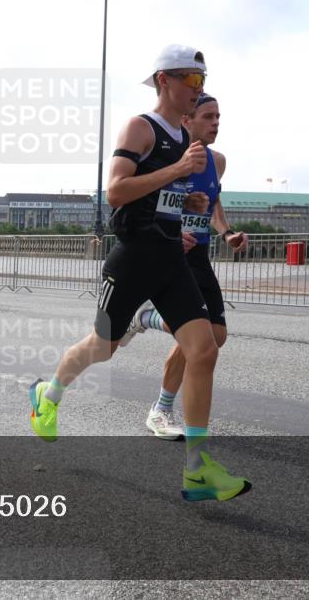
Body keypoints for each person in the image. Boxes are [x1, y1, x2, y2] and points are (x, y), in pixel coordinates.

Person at [28, 44, 251, 502]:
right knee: (101, 348)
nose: (199, 90)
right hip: (132, 260)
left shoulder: (184, 141)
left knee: (205, 348)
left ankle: (196, 468)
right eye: (192, 80)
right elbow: (115, 191)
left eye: (203, 82)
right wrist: (176, 171)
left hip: (171, 257)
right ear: (164, 80)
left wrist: (187, 203)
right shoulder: (142, 127)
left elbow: (161, 196)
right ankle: (47, 397)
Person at [119, 93, 249, 443]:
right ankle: (162, 410)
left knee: (215, 336)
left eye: (218, 116)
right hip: (171, 253)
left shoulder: (217, 161)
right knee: (198, 339)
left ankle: (145, 319)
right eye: (208, 116)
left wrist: (226, 232)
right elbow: (149, 200)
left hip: (200, 253)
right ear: (186, 120)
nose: (216, 122)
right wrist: (172, 232)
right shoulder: (168, 158)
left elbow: (214, 199)